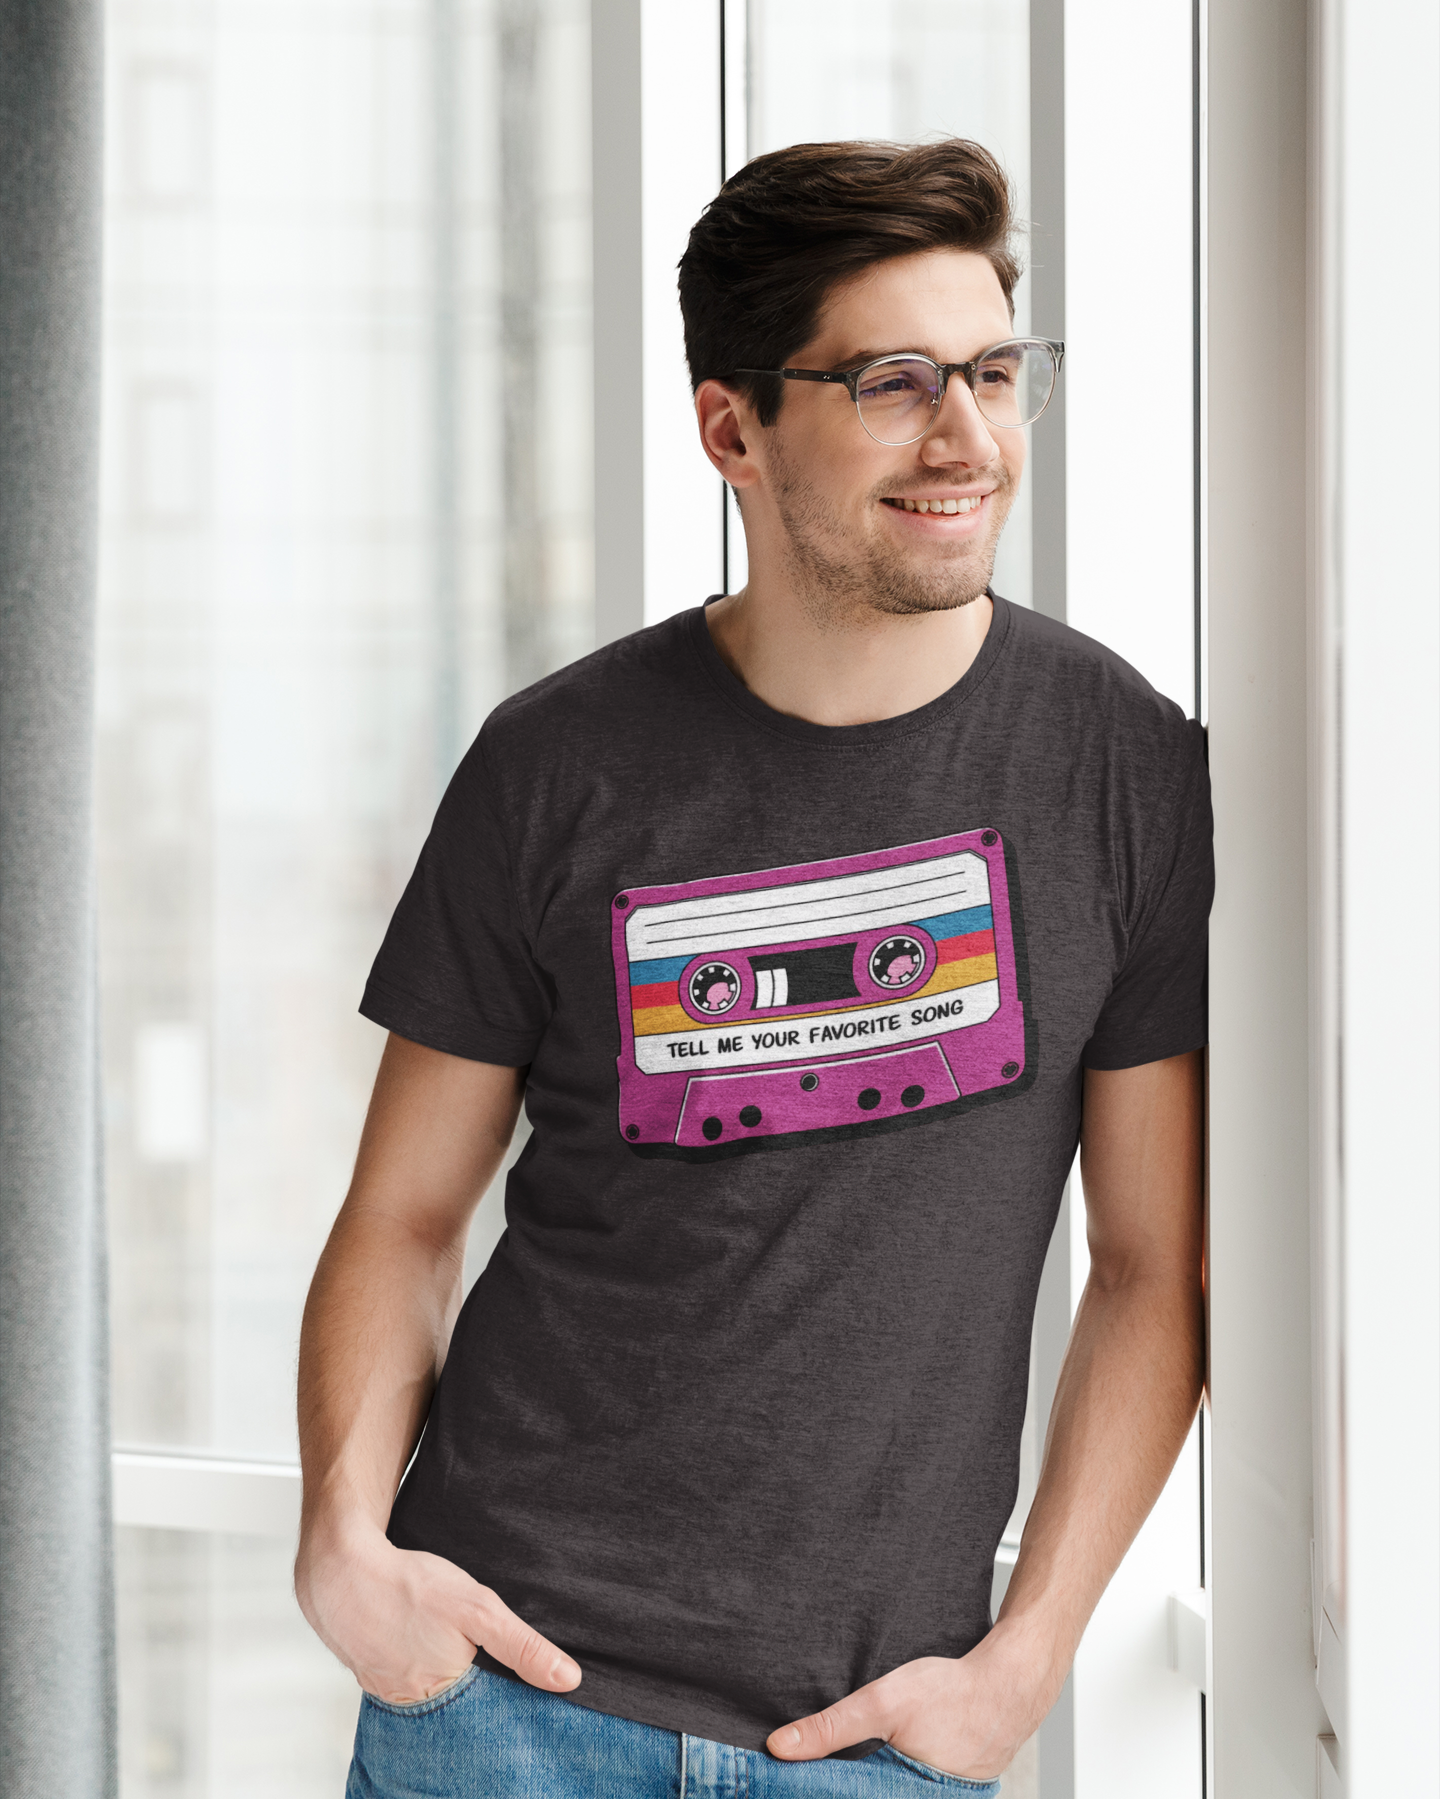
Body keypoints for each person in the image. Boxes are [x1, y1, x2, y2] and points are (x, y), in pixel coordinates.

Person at [296, 138, 1211, 1800]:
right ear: (733, 427)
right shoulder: (551, 765)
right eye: (894, 383)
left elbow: (1153, 1268)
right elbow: (406, 1215)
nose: (971, 441)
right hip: (502, 1699)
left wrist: (1026, 1660)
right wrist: (347, 1547)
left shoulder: (1127, 768)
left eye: (999, 374)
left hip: (880, 1730)